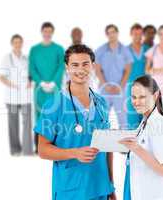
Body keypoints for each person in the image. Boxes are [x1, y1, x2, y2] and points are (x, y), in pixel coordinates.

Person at [34, 44, 116, 200]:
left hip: (101, 188)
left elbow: (107, 149)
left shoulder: (101, 103)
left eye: (85, 64)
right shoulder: (53, 105)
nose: (81, 69)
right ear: (67, 68)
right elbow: (43, 150)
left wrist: (111, 186)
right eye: (75, 65)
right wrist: (74, 153)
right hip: (71, 190)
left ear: (93, 66)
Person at [120, 75, 163, 200]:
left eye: (142, 97)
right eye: (134, 97)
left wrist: (137, 149)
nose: (136, 102)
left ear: (155, 95)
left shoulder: (159, 124)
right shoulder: (145, 122)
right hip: (136, 189)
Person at [29, 22, 65, 151]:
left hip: (55, 88)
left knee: (56, 114)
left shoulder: (59, 49)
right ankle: (39, 146)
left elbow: (61, 66)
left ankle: (56, 145)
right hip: (40, 89)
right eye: (45, 31)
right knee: (40, 114)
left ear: (52, 32)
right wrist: (41, 82)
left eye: (50, 31)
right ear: (42, 32)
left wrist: (54, 82)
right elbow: (32, 68)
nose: (47, 34)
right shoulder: (34, 50)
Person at [0, 34, 33, 156]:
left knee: (27, 124)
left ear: (22, 43)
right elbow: (1, 77)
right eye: (15, 42)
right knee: (13, 125)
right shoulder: (6, 58)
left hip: (25, 96)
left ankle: (28, 150)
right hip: (11, 96)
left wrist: (30, 81)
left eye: (20, 42)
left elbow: (31, 74)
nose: (18, 44)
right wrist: (12, 85)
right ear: (12, 44)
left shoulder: (26, 58)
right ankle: (15, 150)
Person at [95, 24, 133, 129]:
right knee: (103, 116)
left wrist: (120, 86)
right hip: (104, 89)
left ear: (117, 33)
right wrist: (105, 85)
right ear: (106, 35)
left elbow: (128, 69)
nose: (111, 35)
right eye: (109, 33)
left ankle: (124, 143)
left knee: (122, 118)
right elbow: (97, 69)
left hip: (120, 89)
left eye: (113, 32)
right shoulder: (101, 50)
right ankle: (101, 142)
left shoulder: (124, 50)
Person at [126, 23, 148, 129]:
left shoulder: (147, 49)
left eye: (140, 34)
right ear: (131, 34)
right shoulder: (125, 50)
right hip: (130, 85)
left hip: (145, 86)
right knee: (132, 113)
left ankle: (145, 142)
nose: (137, 37)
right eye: (135, 34)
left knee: (145, 113)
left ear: (142, 35)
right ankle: (131, 140)